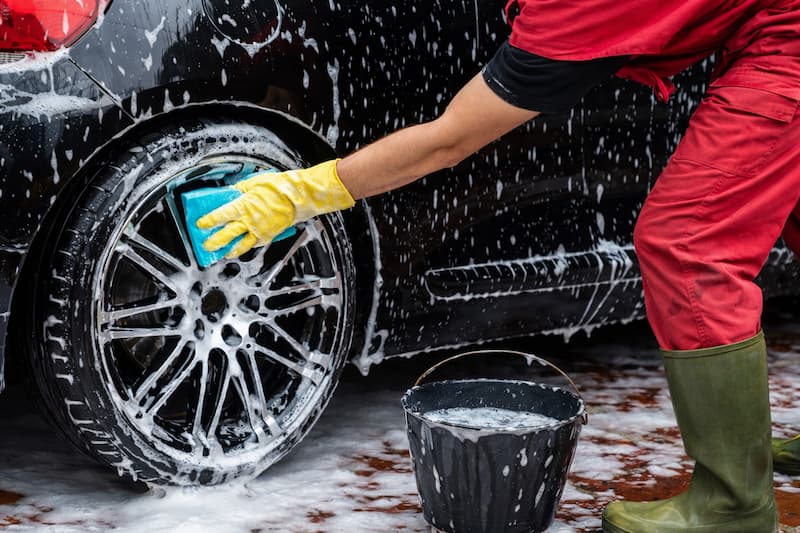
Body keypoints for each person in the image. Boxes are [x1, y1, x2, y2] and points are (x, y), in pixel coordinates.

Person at [197, 1, 800, 530]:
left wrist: (306, 192)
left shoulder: (577, 10)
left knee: (686, 242)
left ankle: (733, 506)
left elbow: (449, 140)